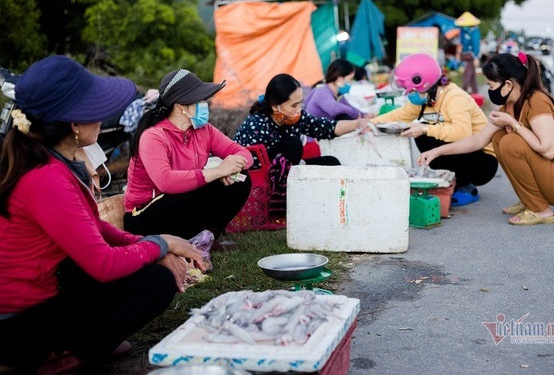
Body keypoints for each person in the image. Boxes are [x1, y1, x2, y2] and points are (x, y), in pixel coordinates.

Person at [0, 56, 205, 374]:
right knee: (157, 281)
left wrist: (150, 245)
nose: (102, 117)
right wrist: (160, 245)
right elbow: (103, 264)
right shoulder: (46, 178)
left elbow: (92, 227)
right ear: (74, 124)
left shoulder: (46, 158)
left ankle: (78, 341)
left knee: (139, 262)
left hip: (34, 300)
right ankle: (66, 357)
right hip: (16, 326)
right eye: (95, 110)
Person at [420, 52, 554, 225]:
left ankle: (541, 210)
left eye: (491, 86)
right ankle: (529, 200)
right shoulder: (509, 107)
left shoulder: (537, 101)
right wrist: (437, 151)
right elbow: (478, 140)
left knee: (510, 142)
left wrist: (514, 124)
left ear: (508, 84)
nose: (491, 91)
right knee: (499, 137)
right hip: (552, 176)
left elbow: (549, 149)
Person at [124, 69, 253, 240]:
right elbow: (166, 182)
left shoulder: (203, 130)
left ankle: (206, 236)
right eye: (199, 100)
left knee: (241, 179)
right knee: (182, 197)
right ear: (181, 105)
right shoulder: (153, 136)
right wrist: (219, 172)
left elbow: (244, 154)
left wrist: (231, 168)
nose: (205, 104)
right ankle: (185, 240)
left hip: (181, 201)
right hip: (143, 215)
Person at [234, 73, 370, 217]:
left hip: (289, 170)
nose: (299, 109)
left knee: (332, 162)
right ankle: (284, 203)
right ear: (275, 106)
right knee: (293, 143)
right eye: (294, 105)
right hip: (264, 182)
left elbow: (327, 128)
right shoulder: (256, 126)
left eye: (300, 103)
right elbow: (250, 169)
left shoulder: (296, 118)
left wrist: (357, 123)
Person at [371, 53, 498, 206]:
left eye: (410, 90)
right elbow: (400, 115)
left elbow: (461, 133)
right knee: (421, 135)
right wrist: (371, 123)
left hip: (483, 161)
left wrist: (425, 128)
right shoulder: (424, 98)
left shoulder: (455, 97)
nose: (409, 94)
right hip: (463, 152)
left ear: (424, 84)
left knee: (424, 132)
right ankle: (453, 182)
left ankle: (466, 187)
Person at [304, 59, 373, 120]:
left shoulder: (337, 94)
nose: (351, 83)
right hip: (315, 134)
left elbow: (348, 106)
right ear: (340, 78)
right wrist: (355, 114)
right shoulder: (322, 91)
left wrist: (364, 115)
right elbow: (334, 108)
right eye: (350, 79)